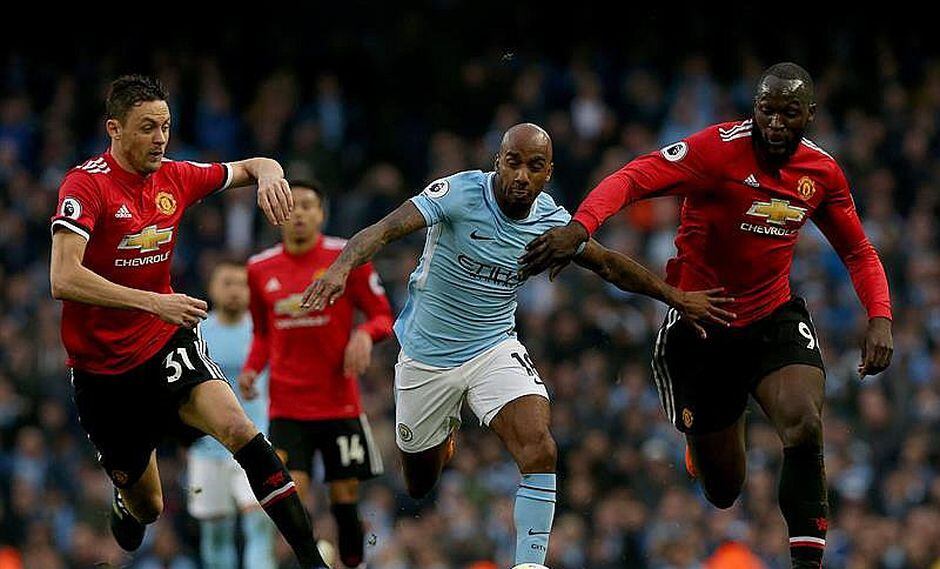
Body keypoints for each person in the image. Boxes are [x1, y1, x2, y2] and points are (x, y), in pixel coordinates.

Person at [301, 123, 732, 566]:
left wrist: (675, 296)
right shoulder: (459, 194)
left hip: (492, 347)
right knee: (419, 483)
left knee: (540, 446)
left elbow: (607, 264)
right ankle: (443, 436)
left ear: (549, 172)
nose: (522, 175)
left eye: (534, 166)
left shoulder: (552, 222)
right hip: (426, 357)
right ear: (498, 163)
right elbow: (384, 230)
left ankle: (530, 561)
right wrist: (340, 268)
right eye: (513, 163)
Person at [519, 63, 894, 569]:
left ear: (809, 115)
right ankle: (703, 442)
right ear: (754, 109)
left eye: (789, 112)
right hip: (701, 321)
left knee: (805, 425)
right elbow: (633, 177)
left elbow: (858, 251)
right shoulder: (716, 150)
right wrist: (581, 226)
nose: (776, 122)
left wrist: (880, 316)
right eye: (767, 110)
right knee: (724, 490)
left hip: (771, 313)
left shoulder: (821, 172)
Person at [48, 74, 328, 568]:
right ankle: (126, 501)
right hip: (103, 374)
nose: (160, 138)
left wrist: (269, 175)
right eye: (147, 128)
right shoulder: (86, 185)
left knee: (239, 429)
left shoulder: (176, 177)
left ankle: (313, 562)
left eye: (166, 126)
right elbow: (63, 277)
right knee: (148, 508)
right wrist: (152, 302)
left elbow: (253, 164)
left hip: (164, 343)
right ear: (115, 129)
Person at [240, 180, 394, 569]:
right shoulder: (258, 268)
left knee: (344, 500)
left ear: (322, 214)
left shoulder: (347, 257)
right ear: (278, 215)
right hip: (287, 406)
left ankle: (353, 563)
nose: (299, 213)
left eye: (308, 205)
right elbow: (262, 332)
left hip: (339, 403)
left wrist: (364, 334)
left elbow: (382, 316)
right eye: (292, 206)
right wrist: (252, 369)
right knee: (293, 498)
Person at [186, 259, 275, 569]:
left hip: (256, 443)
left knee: (259, 528)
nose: (235, 291)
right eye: (227, 283)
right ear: (212, 288)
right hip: (206, 448)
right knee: (216, 536)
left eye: (242, 284)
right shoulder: (195, 333)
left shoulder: (264, 331)